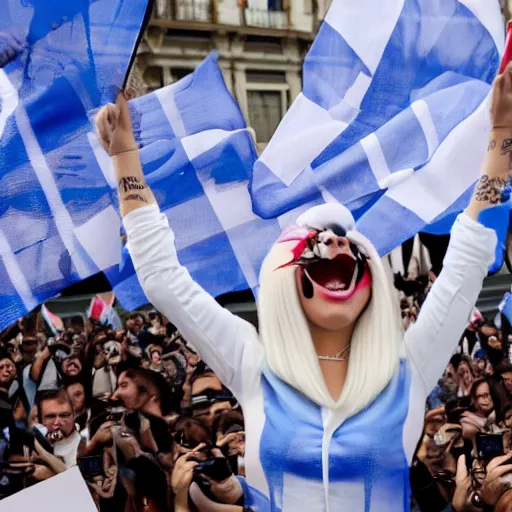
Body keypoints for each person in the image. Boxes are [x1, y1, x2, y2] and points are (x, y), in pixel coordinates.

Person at [94, 61, 512, 510]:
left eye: (348, 245)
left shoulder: (406, 370)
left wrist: (501, 142)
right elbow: (163, 278)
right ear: (286, 279)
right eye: (314, 246)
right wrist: (125, 160)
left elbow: (464, 266)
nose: (334, 241)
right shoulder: (254, 364)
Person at [35, 388, 82, 468]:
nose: (57, 422)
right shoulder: (36, 442)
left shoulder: (82, 447)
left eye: (64, 415)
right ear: (42, 420)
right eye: (51, 416)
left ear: (74, 414)